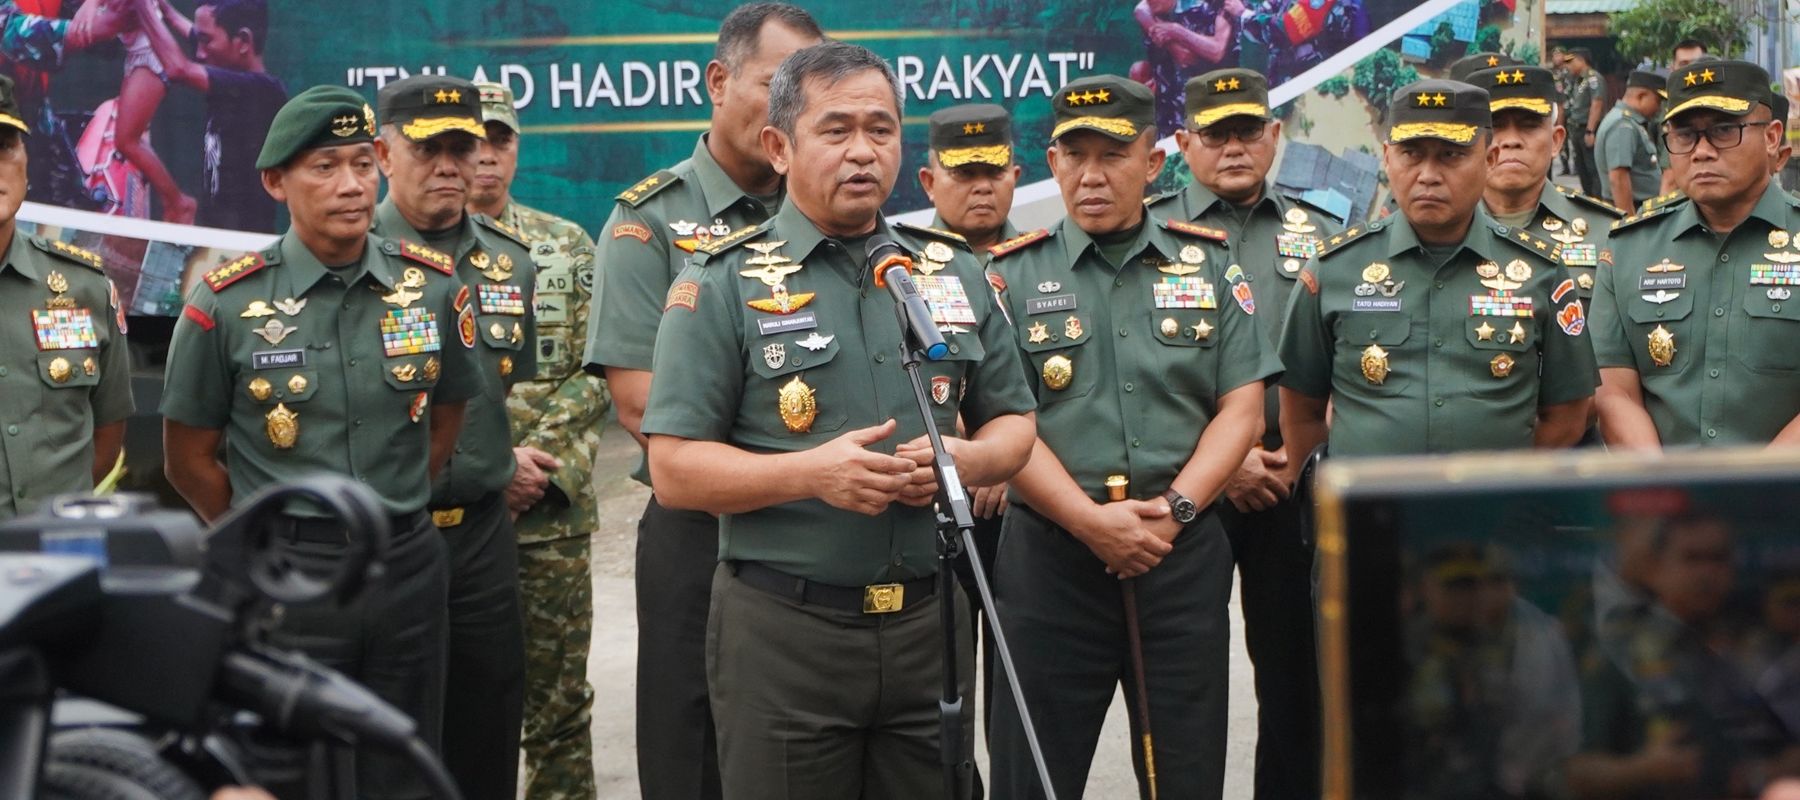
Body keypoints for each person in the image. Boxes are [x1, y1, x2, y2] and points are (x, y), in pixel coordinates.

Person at [640, 41, 1037, 798]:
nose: (863, 151)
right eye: (836, 130)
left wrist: (961, 462)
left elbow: (1015, 425)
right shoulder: (719, 283)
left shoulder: (948, 272)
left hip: (931, 626)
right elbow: (674, 469)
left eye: (881, 129)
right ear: (779, 147)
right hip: (786, 633)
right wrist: (811, 474)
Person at [161, 85, 481, 799]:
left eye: (363, 164)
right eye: (324, 167)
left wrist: (394, 502)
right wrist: (266, 540)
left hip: (404, 561)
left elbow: (448, 413)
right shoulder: (226, 302)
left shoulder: (429, 287)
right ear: (275, 182)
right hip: (288, 573)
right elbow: (188, 458)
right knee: (294, 768)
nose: (351, 185)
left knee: (405, 760)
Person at [987, 74, 1274, 800]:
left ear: (1151, 161)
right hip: (1052, 561)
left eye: (1111, 154)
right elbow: (996, 421)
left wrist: (1177, 509)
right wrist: (1089, 522)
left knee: (1185, 773)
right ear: (1051, 163)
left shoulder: (1207, 263)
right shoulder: (1008, 278)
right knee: (1034, 775)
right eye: (1073, 154)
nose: (1090, 174)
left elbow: (1242, 406)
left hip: (1177, 556)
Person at [581, 5, 821, 798]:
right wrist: (800, 466)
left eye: (804, 91)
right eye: (773, 85)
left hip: (822, 531)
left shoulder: (827, 215)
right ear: (719, 82)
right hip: (702, 531)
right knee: (694, 745)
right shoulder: (649, 221)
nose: (789, 110)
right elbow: (638, 403)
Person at [1144, 65, 1339, 800]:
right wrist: (1225, 467)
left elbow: (1340, 360)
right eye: (1215, 134)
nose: (1233, 147)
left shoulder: (1322, 234)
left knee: (1295, 682)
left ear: (1275, 136)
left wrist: (1292, 456)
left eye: (1247, 132)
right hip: (1186, 494)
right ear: (1184, 143)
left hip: (1290, 486)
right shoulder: (1150, 230)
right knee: (1183, 687)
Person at [1277, 78, 1598, 468]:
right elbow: (1300, 412)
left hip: (1497, 519)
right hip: (1371, 519)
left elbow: (1567, 416)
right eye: (1411, 153)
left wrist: (1502, 486)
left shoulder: (1540, 272)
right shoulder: (1333, 270)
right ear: (1386, 157)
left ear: (1490, 158)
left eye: (1450, 154)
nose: (1428, 174)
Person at [370, 73, 536, 800]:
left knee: (489, 724)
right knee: (389, 734)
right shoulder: (352, 257)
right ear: (384, 155)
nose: (448, 165)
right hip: (385, 537)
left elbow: (499, 394)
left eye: (461, 149)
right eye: (427, 148)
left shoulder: (510, 263)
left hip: (481, 536)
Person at [469, 80, 608, 800]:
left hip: (548, 512)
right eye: (471, 143)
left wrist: (530, 468)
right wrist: (493, 466)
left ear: (517, 149)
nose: (486, 158)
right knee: (454, 703)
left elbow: (598, 368)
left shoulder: (567, 245)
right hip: (448, 510)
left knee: (558, 706)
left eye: (501, 141)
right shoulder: (400, 254)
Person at [1590, 60, 1800, 449]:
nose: (1701, 151)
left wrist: (1759, 490)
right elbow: (1612, 391)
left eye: (1723, 130)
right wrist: (1665, 490)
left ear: (1772, 137)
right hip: (1661, 499)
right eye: (1685, 135)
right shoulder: (1629, 249)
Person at [915, 101, 1020, 740]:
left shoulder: (1049, 261)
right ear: (930, 181)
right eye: (963, 173)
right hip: (933, 504)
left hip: (1032, 507)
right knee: (937, 701)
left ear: (1015, 173)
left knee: (1018, 691)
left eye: (993, 172)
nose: (981, 187)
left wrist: (1011, 461)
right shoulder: (892, 264)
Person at [0, 73, 131, 520]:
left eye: (4, 147)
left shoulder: (83, 287)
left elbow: (107, 437)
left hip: (54, 564)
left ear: (25, 160)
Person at [1467, 62, 1623, 303]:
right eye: (1494, 126)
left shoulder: (1606, 233)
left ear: (1556, 141)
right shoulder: (1440, 229)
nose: (1510, 141)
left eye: (1528, 126)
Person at [131, 0, 286, 233]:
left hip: (246, 244)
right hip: (216, 232)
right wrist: (165, 11)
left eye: (206, 41)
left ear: (243, 41)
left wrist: (140, 6)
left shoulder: (262, 91)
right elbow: (193, 32)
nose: (199, 52)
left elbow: (178, 69)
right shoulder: (230, 75)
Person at [1597, 70, 1666, 212]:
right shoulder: (1623, 125)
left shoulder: (1629, 122)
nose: (1659, 108)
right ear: (1641, 96)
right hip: (1633, 208)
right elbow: (1618, 178)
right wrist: (1629, 223)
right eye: (1657, 101)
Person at [1566, 49, 1605, 197]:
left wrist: (1590, 130)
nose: (1568, 66)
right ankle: (1588, 197)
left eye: (1571, 62)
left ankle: (1597, 200)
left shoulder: (1593, 78)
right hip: (1576, 129)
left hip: (1587, 129)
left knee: (1592, 168)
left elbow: (1597, 103)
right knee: (1581, 168)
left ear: (1581, 60)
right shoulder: (1579, 80)